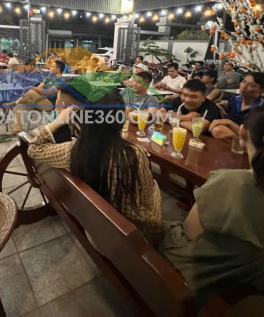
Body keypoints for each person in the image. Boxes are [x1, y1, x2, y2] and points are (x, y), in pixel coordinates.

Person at [160, 105, 264, 313]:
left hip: (217, 281)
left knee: (161, 228)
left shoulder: (231, 182)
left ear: (242, 132)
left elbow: (189, 233)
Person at [27, 90, 164, 244]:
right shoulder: (135, 154)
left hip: (95, 233)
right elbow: (145, 200)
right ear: (122, 118)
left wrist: (57, 121)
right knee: (155, 187)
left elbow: (34, 148)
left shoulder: (74, 150)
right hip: (131, 240)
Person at [6, 60, 65, 134]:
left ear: (58, 70)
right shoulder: (48, 78)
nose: (50, 68)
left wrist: (32, 88)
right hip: (38, 99)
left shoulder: (61, 82)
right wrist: (37, 90)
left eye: (52, 67)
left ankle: (14, 102)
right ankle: (17, 129)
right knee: (19, 106)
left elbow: (49, 92)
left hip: (49, 104)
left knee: (31, 91)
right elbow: (39, 88)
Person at [209, 72, 264, 139]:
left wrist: (229, 122)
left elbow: (251, 136)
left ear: (262, 90)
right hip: (229, 138)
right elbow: (225, 107)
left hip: (246, 142)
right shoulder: (235, 99)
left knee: (218, 130)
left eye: (251, 85)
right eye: (243, 82)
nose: (244, 87)